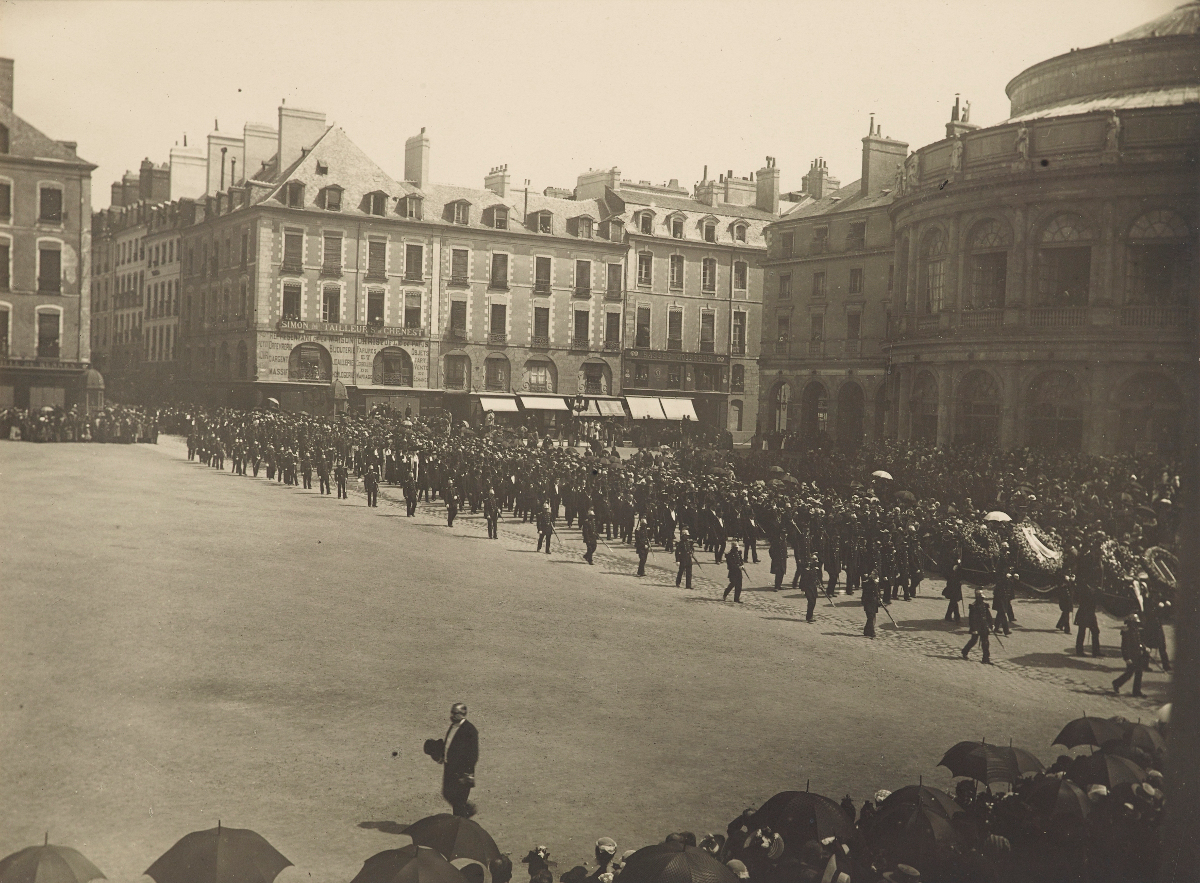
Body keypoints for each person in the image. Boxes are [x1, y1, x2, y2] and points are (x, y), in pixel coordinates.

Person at [437, 702, 479, 817]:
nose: (452, 715)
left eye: (455, 713)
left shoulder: (470, 730)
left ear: (463, 714)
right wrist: (442, 756)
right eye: (451, 712)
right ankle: (466, 812)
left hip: (461, 772)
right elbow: (449, 744)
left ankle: (463, 820)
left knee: (459, 802)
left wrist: (466, 773)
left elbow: (473, 755)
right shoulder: (453, 726)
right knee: (447, 793)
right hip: (449, 768)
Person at [1113, 614, 1148, 696]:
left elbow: (1139, 641)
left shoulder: (1136, 630)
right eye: (1135, 623)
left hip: (1138, 654)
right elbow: (1124, 647)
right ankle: (1117, 683)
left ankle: (1136, 691)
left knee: (1138, 672)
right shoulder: (1127, 632)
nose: (1136, 625)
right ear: (1131, 623)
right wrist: (1127, 658)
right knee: (1129, 673)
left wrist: (1144, 647)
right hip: (1131, 656)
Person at [962, 589, 993, 664]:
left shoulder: (985, 605)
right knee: (973, 641)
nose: (982, 599)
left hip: (984, 626)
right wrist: (974, 629)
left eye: (982, 598)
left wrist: (991, 624)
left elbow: (988, 616)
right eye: (981, 598)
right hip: (977, 626)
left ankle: (986, 658)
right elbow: (972, 619)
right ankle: (964, 651)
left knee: (985, 643)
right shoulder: (973, 606)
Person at [1074, 578, 1102, 657]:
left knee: (1095, 631)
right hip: (1084, 613)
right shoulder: (1084, 590)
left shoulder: (1092, 591)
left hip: (1090, 614)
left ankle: (1095, 651)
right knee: (1082, 632)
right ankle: (1080, 651)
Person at [801, 553, 822, 622]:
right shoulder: (806, 569)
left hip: (813, 588)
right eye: (815, 559)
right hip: (808, 588)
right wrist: (803, 589)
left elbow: (816, 578)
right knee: (811, 601)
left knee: (813, 602)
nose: (817, 561)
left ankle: (810, 616)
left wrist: (819, 584)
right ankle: (809, 617)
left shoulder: (815, 568)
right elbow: (803, 579)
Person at [862, 570, 880, 638]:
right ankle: (872, 632)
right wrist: (874, 583)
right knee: (870, 616)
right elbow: (867, 591)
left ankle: (866, 630)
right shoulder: (868, 582)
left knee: (872, 616)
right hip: (868, 602)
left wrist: (879, 598)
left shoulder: (876, 582)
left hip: (874, 602)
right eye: (872, 574)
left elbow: (878, 592)